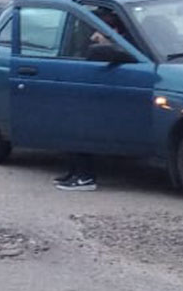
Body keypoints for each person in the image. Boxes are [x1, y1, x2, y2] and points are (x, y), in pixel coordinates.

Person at [54, 10, 132, 192]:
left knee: (81, 130)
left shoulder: (126, 42)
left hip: (108, 96)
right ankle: (74, 171)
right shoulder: (102, 39)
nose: (93, 35)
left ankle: (85, 176)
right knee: (69, 126)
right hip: (92, 90)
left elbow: (119, 58)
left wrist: (105, 43)